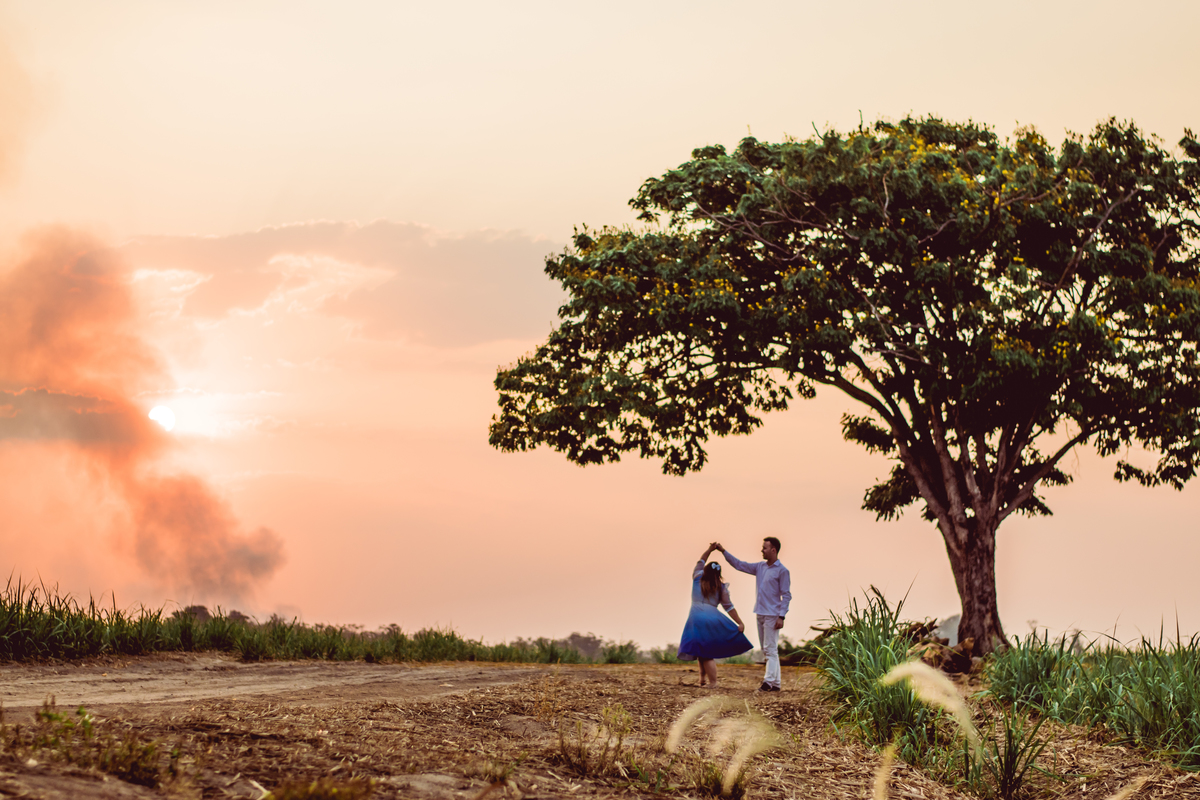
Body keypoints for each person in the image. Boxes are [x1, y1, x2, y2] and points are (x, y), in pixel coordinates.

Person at [712, 537, 791, 692]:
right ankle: (776, 684)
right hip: (760, 612)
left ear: (773, 550)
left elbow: (786, 595)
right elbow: (739, 565)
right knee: (767, 649)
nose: (762, 550)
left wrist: (781, 616)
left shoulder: (782, 571)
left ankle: (768, 682)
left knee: (770, 649)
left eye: (765, 548)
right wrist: (723, 551)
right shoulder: (760, 567)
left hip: (772, 615)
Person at [677, 543, 752, 688]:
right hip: (712, 618)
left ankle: (712, 682)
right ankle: (703, 680)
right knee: (703, 650)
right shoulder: (721, 587)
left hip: (696, 617)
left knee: (703, 651)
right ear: (718, 574)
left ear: (705, 571)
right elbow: (728, 607)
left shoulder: (697, 577)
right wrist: (739, 622)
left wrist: (710, 550)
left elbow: (701, 560)